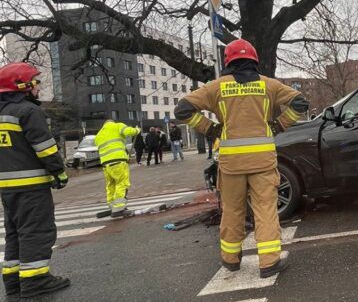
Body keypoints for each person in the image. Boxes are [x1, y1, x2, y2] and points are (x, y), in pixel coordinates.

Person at [174, 39, 309, 277]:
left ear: (228, 61)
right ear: (254, 59)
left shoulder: (217, 87)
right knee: (266, 209)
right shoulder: (269, 85)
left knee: (232, 210)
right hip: (263, 162)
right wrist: (278, 125)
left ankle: (231, 260)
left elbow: (182, 109)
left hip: (231, 164)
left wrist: (211, 128)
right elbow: (300, 102)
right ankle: (268, 263)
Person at [0, 61, 71, 301]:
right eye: (35, 82)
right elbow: (45, 148)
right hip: (31, 187)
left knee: (15, 233)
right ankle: (35, 279)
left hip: (7, 190)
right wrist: (58, 172)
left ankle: (13, 281)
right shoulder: (28, 111)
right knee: (36, 231)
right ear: (22, 85)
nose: (38, 87)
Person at [93, 119, 141, 217]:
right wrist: (137, 130)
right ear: (112, 122)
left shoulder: (98, 135)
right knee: (122, 183)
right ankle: (119, 207)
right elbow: (129, 132)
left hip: (105, 164)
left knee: (110, 185)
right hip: (118, 161)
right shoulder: (117, 126)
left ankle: (112, 206)